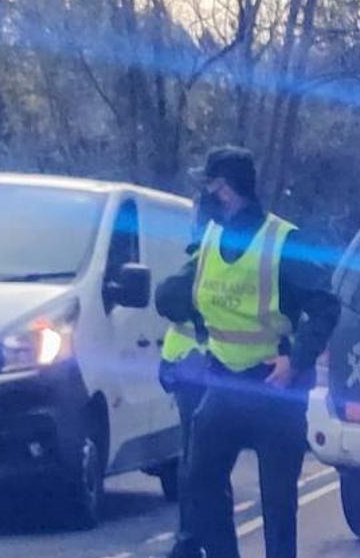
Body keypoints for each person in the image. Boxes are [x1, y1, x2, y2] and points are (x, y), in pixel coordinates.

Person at [156, 145, 341, 558]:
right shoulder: (210, 238)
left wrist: (297, 359)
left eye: (209, 186)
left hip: (273, 388)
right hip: (223, 382)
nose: (203, 196)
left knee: (277, 504)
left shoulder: (283, 242)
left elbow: (326, 306)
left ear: (226, 190)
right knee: (199, 479)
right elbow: (178, 296)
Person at [156, 198, 214, 558]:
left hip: (194, 368)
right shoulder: (204, 263)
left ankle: (191, 539)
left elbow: (168, 299)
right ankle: (190, 540)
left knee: (197, 459)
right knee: (197, 460)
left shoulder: (202, 262)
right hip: (195, 367)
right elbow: (171, 304)